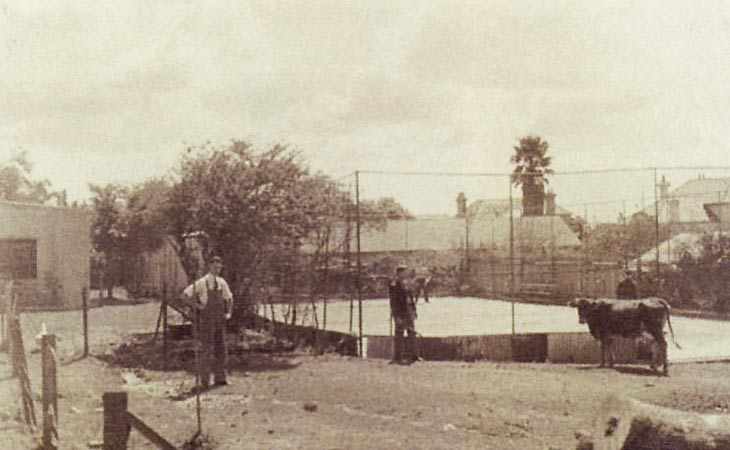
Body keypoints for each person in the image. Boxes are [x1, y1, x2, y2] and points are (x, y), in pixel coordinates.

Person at [182, 256, 234, 388]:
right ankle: (204, 381)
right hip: (206, 321)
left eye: (219, 267)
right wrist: (198, 306)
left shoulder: (222, 282)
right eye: (214, 267)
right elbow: (184, 296)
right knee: (206, 350)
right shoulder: (202, 282)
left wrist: (229, 313)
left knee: (221, 350)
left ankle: (220, 378)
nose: (217, 269)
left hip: (219, 321)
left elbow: (229, 298)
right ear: (209, 267)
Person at [389, 264, 418, 364]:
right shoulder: (394, 285)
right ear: (399, 273)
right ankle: (397, 357)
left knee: (411, 332)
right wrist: (396, 315)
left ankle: (414, 355)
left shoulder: (407, 283)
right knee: (399, 334)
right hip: (400, 311)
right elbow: (394, 302)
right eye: (404, 272)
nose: (406, 273)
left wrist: (414, 310)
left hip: (408, 309)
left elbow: (410, 298)